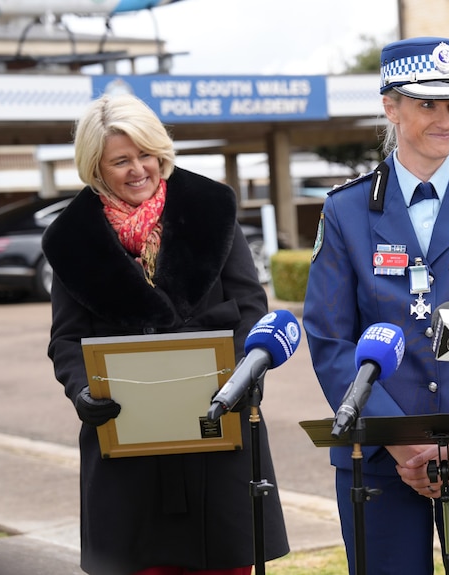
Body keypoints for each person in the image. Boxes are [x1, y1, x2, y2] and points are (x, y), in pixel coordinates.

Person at [303, 36, 449, 575]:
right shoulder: (346, 211)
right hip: (382, 457)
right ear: (390, 106)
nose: (446, 119)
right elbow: (329, 338)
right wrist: (400, 440)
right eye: (427, 103)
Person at [43, 93, 289, 575]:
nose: (139, 169)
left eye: (146, 154)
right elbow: (66, 340)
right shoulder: (71, 239)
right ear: (95, 167)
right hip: (126, 442)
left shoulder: (210, 208)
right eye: (121, 161)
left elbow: (250, 308)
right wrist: (81, 390)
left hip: (217, 427)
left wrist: (242, 372)